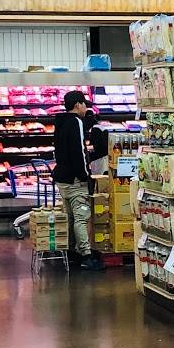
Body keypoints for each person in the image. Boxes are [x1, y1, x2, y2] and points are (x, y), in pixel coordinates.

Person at [53, 91, 103, 271]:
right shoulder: (75, 122)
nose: (86, 108)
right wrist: (85, 176)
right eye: (84, 105)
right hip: (75, 179)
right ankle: (86, 256)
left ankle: (72, 253)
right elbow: (79, 153)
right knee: (82, 218)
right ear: (77, 105)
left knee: (71, 218)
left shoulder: (60, 122)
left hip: (62, 178)